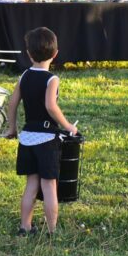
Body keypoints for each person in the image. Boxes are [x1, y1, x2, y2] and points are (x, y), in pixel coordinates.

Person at [6, 27, 78, 236]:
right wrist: (68, 126)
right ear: (55, 54)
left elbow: (12, 104)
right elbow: (50, 106)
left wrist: (12, 127)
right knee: (49, 186)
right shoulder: (52, 79)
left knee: (31, 184)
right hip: (47, 140)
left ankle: (25, 226)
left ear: (29, 53)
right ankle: (52, 230)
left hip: (27, 138)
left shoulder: (24, 76)